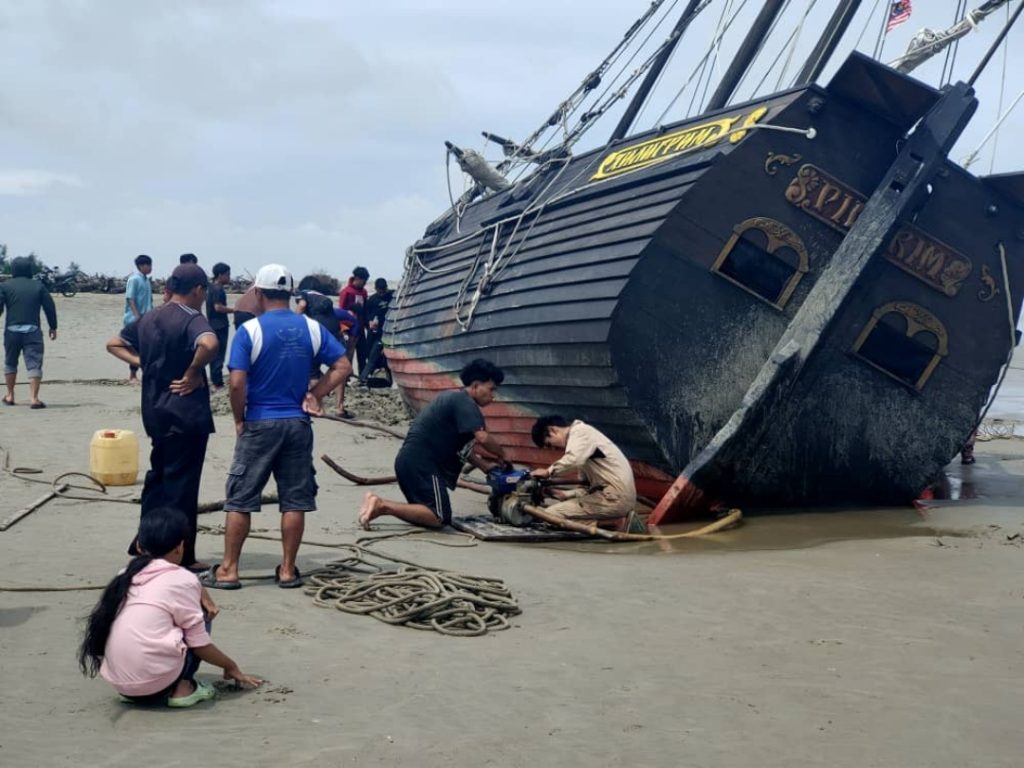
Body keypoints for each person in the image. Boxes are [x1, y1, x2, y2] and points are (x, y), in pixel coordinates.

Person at [202, 264, 348, 590]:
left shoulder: (249, 331)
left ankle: (229, 570)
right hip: (297, 422)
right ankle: (287, 569)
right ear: (290, 293)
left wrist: (239, 418)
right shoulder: (311, 328)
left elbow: (237, 382)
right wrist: (315, 394)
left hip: (260, 421)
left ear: (258, 293)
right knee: (294, 499)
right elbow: (343, 365)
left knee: (240, 497)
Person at [77, 509, 262, 707]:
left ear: (139, 545)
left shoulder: (125, 574)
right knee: (198, 617)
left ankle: (141, 691)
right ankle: (182, 687)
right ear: (179, 547)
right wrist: (230, 666)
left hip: (120, 683)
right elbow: (199, 644)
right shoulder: (183, 579)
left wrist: (200, 592)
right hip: (156, 681)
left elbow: (175, 585)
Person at [106, 264, 218, 571]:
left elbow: (113, 343)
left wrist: (142, 362)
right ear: (198, 290)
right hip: (185, 411)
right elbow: (209, 344)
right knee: (182, 485)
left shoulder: (150, 318)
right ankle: (182, 554)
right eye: (204, 291)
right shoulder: (191, 317)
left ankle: (145, 540)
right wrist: (193, 371)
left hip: (155, 410)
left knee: (158, 478)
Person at [359, 359, 510, 530]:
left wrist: (485, 467)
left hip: (410, 463)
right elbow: (483, 438)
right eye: (491, 389)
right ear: (475, 386)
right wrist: (503, 455)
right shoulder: (464, 403)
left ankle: (377, 505)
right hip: (423, 466)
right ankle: (381, 505)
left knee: (428, 514)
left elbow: (462, 450)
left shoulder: (455, 400)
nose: (493, 395)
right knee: (439, 516)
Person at [529, 415, 637, 526]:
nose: (553, 448)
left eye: (549, 444)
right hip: (613, 496)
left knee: (549, 515)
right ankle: (612, 521)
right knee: (553, 514)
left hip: (615, 498)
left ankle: (611, 523)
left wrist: (548, 472)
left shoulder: (580, 432)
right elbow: (586, 487)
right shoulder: (581, 449)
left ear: (553, 430)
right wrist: (565, 495)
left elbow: (573, 460)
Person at [0, 257, 58, 408]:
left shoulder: (5, 286)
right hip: (32, 331)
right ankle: (33, 398)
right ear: (30, 270)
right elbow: (49, 307)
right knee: (34, 363)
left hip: (11, 330)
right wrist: (53, 327)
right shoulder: (38, 286)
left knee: (10, 362)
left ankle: (10, 395)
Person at [123, 254, 154, 383]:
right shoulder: (134, 279)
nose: (150, 267)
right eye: (148, 265)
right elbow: (130, 298)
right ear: (141, 266)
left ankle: (145, 373)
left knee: (146, 347)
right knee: (135, 347)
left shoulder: (147, 280)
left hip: (146, 318)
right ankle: (132, 375)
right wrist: (137, 316)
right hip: (134, 319)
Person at [359, 277, 394, 386]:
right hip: (374, 333)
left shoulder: (391, 296)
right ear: (376, 289)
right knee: (371, 355)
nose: (382, 292)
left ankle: (387, 380)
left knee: (385, 356)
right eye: (380, 290)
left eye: (384, 290)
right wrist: (369, 322)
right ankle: (364, 377)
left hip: (387, 332)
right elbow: (365, 315)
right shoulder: (372, 300)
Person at [206, 262, 234, 390]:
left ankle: (215, 379)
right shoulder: (218, 289)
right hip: (219, 325)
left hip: (212, 324)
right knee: (219, 354)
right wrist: (234, 310)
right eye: (227, 275)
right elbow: (218, 307)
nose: (229, 277)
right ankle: (217, 382)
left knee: (214, 354)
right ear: (220, 275)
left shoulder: (211, 287)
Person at [338, 265, 369, 372]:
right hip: (348, 329)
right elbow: (341, 311)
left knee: (362, 354)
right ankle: (345, 378)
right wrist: (343, 329)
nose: (365, 283)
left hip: (360, 328)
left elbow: (364, 310)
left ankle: (362, 377)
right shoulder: (346, 292)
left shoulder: (364, 292)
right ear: (357, 278)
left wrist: (367, 325)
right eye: (364, 281)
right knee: (348, 354)